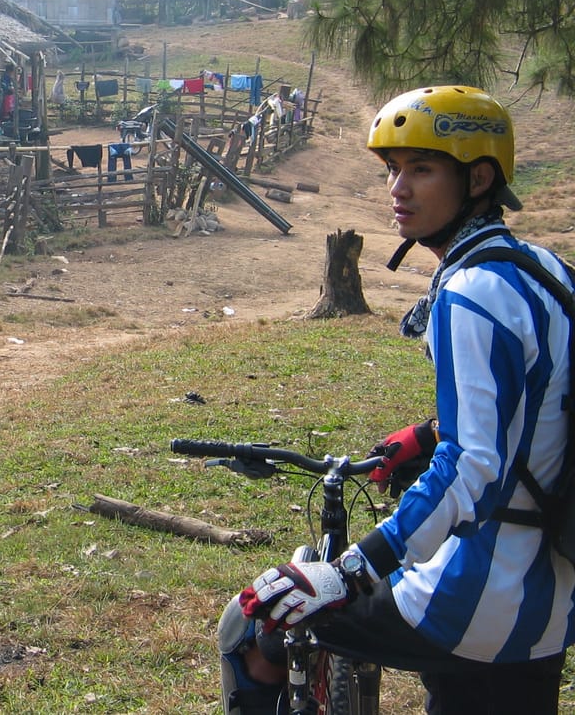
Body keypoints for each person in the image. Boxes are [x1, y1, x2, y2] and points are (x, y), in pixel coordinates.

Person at [218, 85, 575, 715]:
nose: (398, 189)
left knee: (260, 620)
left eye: (423, 169)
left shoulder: (469, 293)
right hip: (549, 601)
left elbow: (474, 469)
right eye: (393, 170)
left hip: (476, 597)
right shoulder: (544, 270)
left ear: (479, 177)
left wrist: (352, 570)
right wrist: (430, 433)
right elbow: (537, 405)